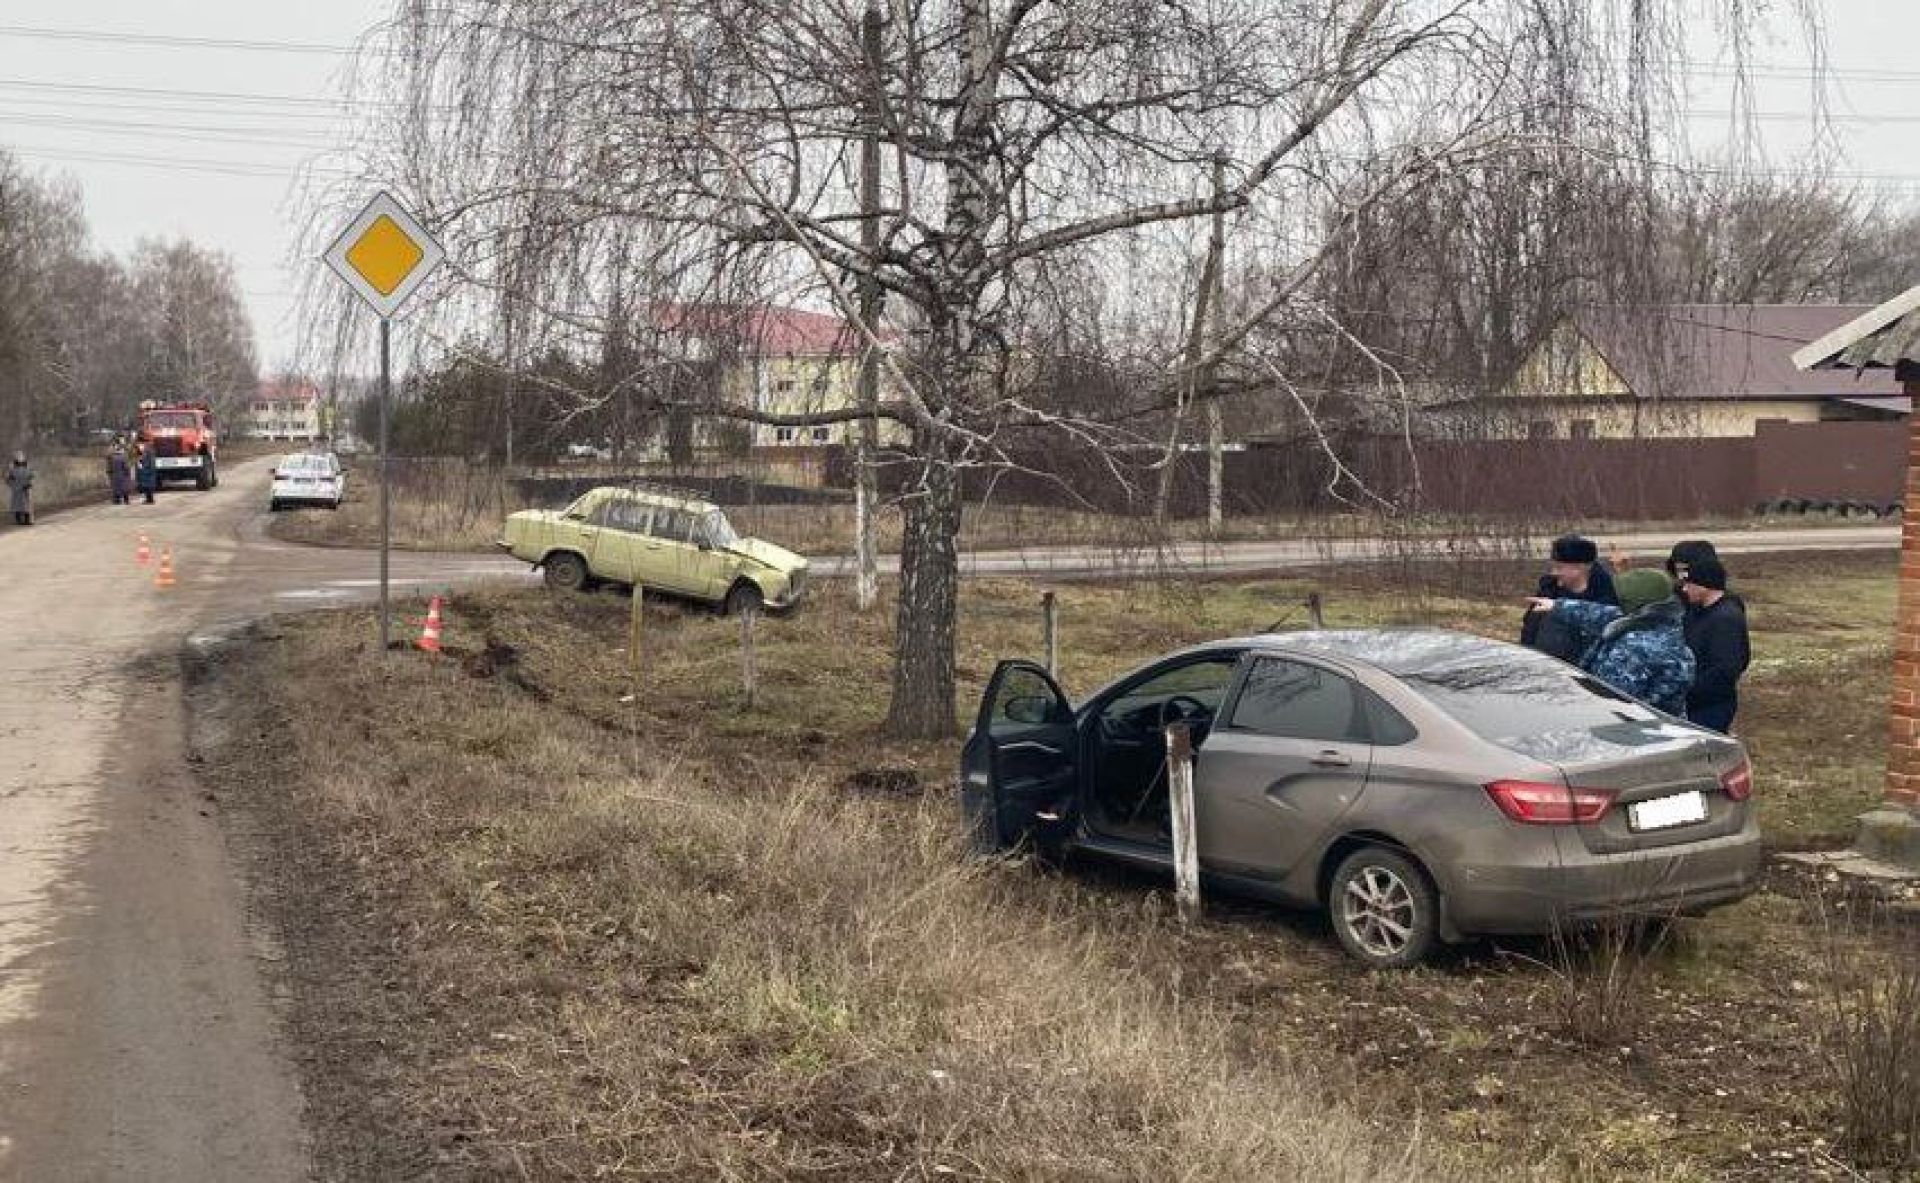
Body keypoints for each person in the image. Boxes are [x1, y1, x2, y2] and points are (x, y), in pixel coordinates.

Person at [1527, 568, 1694, 715]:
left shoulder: (1636, 649)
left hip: (1631, 735)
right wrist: (1557, 606)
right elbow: (1601, 614)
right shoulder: (1658, 620)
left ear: (1636, 603)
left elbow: (1605, 701)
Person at [1677, 558, 1750, 734]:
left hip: (1709, 708)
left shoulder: (1725, 619)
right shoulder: (1698, 611)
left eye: (1689, 584)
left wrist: (1687, 693)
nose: (1684, 589)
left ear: (1704, 584)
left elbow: (1726, 669)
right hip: (1696, 704)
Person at [1520, 534, 1618, 663]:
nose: (1554, 572)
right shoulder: (1547, 591)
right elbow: (1529, 633)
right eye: (1553, 567)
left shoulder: (1606, 601)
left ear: (1581, 567)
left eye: (1559, 567)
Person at [6, 451, 33, 526]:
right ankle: (26, 520)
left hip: (19, 489)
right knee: (25, 504)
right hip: (22, 488)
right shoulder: (25, 469)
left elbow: (8, 480)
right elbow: (31, 477)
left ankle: (21, 520)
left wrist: (12, 485)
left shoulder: (13, 470)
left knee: (18, 504)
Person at [107, 438, 133, 505]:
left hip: (115, 474)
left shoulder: (112, 456)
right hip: (123, 474)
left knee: (116, 487)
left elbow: (109, 465)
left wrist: (109, 473)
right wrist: (128, 472)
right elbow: (126, 466)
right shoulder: (123, 456)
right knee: (125, 487)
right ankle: (126, 500)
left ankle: (117, 500)